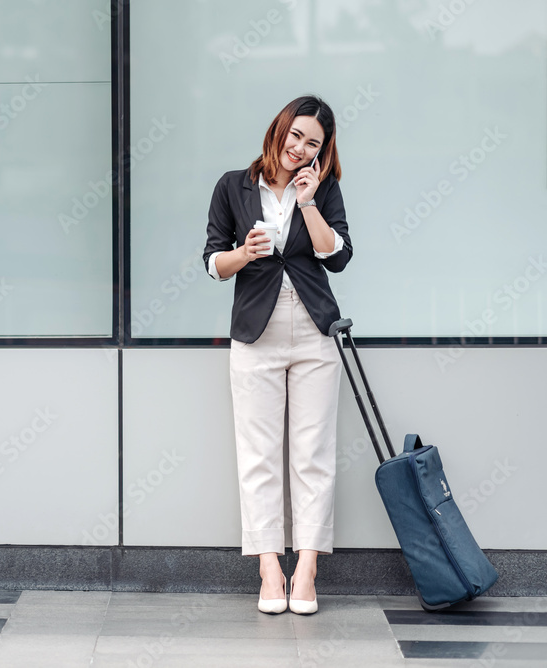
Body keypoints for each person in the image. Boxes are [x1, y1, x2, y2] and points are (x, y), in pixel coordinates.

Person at [202, 95, 352, 615]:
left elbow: (337, 257)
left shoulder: (324, 187)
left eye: (313, 143)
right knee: (259, 455)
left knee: (312, 454)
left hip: (314, 332)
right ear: (279, 129)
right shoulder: (232, 186)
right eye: (297, 135)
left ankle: (306, 570)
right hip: (255, 335)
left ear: (322, 150)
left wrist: (308, 202)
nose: (301, 148)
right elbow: (213, 264)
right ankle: (269, 566)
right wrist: (244, 253)